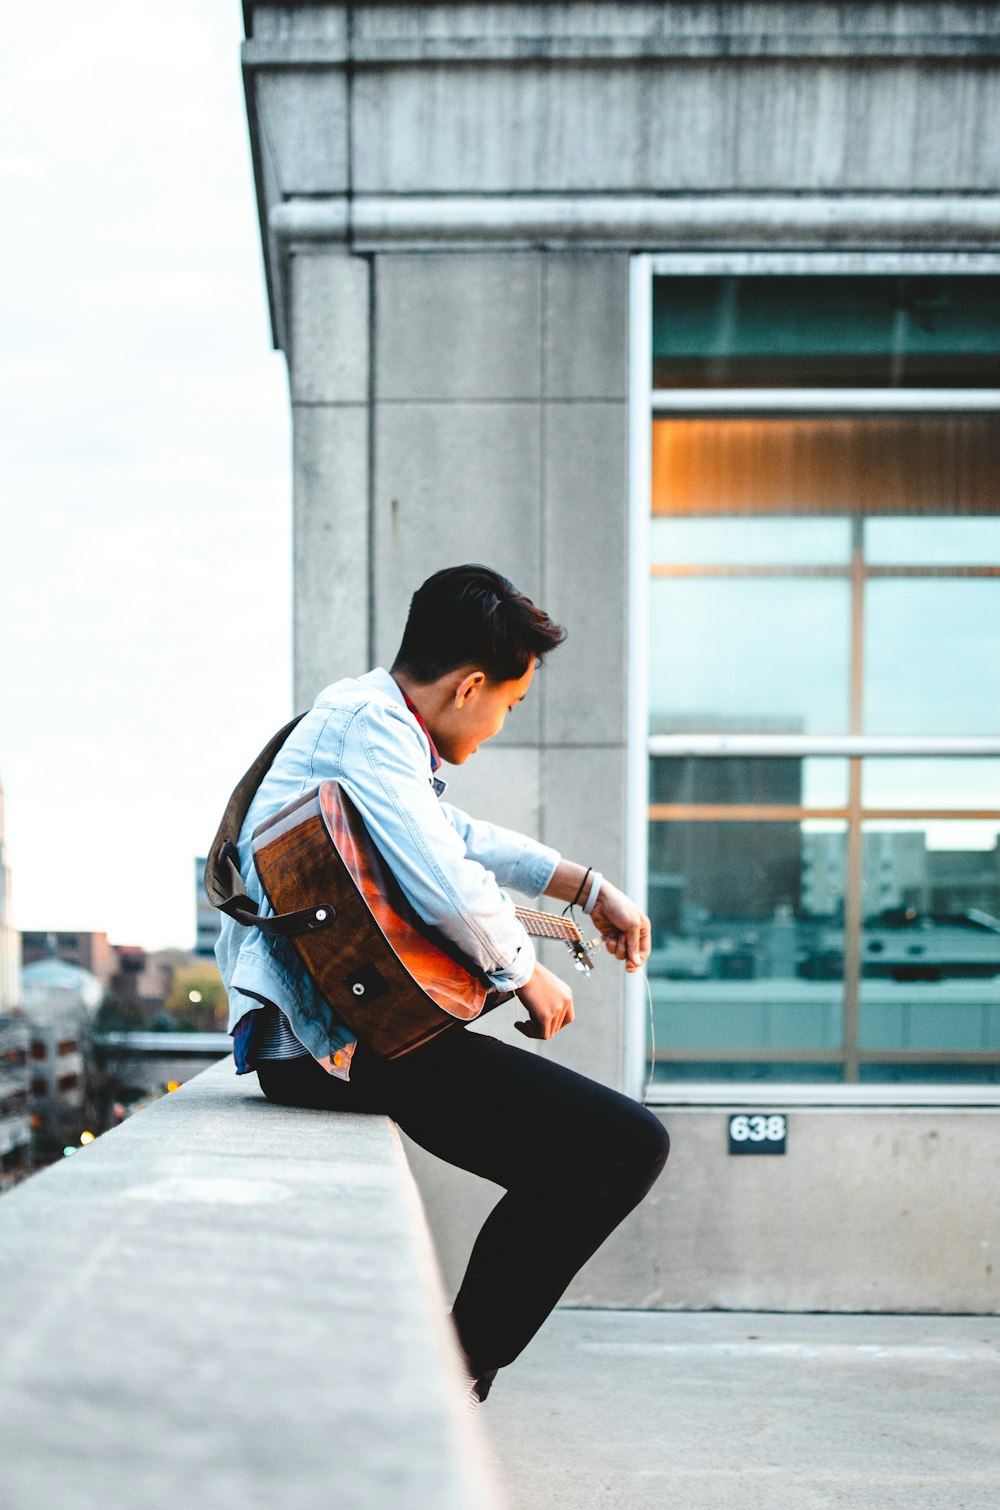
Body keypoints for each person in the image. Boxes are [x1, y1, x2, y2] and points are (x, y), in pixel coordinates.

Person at [216, 564, 669, 1404]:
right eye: (511, 703)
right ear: (470, 685)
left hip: (343, 1033)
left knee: (565, 1167)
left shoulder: (363, 721)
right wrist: (527, 975)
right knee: (624, 1144)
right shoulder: (366, 730)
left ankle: (454, 1366)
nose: (501, 722)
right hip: (332, 1041)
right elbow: (441, 876)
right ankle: (453, 1371)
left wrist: (583, 885)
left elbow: (447, 831)